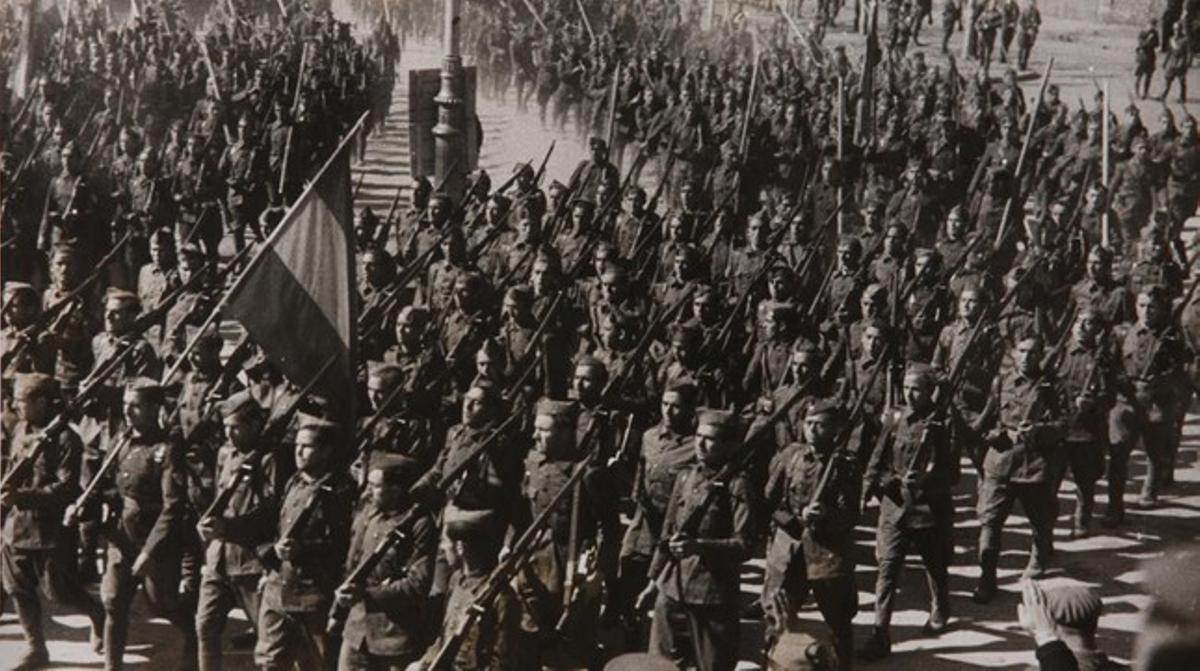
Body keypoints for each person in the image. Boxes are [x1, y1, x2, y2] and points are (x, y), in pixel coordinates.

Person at [64, 378, 197, 671]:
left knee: (161, 604)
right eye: (125, 404)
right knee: (113, 602)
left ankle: (194, 636)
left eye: (135, 406)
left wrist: (150, 553)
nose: (128, 411)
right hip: (121, 537)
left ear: (153, 408)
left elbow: (173, 506)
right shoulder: (120, 441)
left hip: (155, 542)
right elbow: (103, 486)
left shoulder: (167, 447)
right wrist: (81, 505)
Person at [2, 373, 106, 668]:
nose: (16, 405)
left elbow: (66, 489)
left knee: (59, 592)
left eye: (22, 400)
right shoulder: (21, 429)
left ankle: (96, 613)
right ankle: (36, 648)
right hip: (16, 526)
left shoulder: (66, 438)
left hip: (49, 530)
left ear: (43, 402)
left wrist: (20, 496)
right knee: (17, 588)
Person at [638, 409, 751, 671]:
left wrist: (699, 546)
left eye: (709, 439)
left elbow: (744, 544)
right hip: (672, 588)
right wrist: (653, 580)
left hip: (712, 595)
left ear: (728, 445)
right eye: (698, 436)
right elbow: (667, 534)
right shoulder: (686, 476)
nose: (700, 444)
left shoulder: (738, 485)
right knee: (660, 665)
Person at [860, 364, 956, 660]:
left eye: (916, 389)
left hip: (929, 510)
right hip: (895, 508)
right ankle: (880, 633)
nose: (910, 394)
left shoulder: (943, 423)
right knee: (886, 570)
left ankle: (940, 608)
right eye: (906, 388)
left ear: (930, 391)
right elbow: (877, 461)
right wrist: (879, 486)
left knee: (935, 565)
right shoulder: (894, 417)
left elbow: (952, 474)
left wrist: (927, 480)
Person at [762, 398, 859, 670]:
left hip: (826, 555)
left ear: (835, 429)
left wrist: (826, 515)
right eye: (808, 423)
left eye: (820, 425)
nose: (812, 430)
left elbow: (851, 515)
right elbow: (769, 502)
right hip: (789, 551)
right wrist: (796, 519)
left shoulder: (845, 464)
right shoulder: (791, 456)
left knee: (838, 622)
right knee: (776, 616)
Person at [254, 417, 356, 671]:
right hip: (279, 586)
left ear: (326, 451)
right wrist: (271, 565)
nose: (298, 452)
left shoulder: (340, 491)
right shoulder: (294, 482)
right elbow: (280, 527)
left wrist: (306, 549)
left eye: (307, 446)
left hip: (313, 591)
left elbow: (345, 545)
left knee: (317, 662)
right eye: (297, 445)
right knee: (270, 660)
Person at [973, 337, 1067, 604]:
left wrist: (1040, 431)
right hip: (1000, 461)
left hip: (1034, 464)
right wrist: (997, 434)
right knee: (989, 522)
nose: (1026, 357)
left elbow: (1064, 424)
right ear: (1014, 354)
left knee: (1040, 519)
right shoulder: (1000, 382)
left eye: (1033, 352)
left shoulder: (1052, 386)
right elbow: (987, 420)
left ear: (1041, 355)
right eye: (1022, 351)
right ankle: (987, 577)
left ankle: (1038, 559)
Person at [194, 392, 281, 671]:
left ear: (256, 425)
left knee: (267, 638)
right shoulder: (225, 453)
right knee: (205, 626)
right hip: (218, 557)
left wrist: (228, 528)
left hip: (251, 559)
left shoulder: (269, 459)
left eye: (236, 427)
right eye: (226, 427)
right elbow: (218, 498)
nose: (229, 434)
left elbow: (271, 513)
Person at [334, 454, 437, 670]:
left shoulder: (419, 525)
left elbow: (417, 585)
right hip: (356, 632)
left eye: (375, 486)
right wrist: (337, 610)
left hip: (394, 638)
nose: (368, 491)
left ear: (396, 489)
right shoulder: (367, 516)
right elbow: (351, 565)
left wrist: (367, 594)